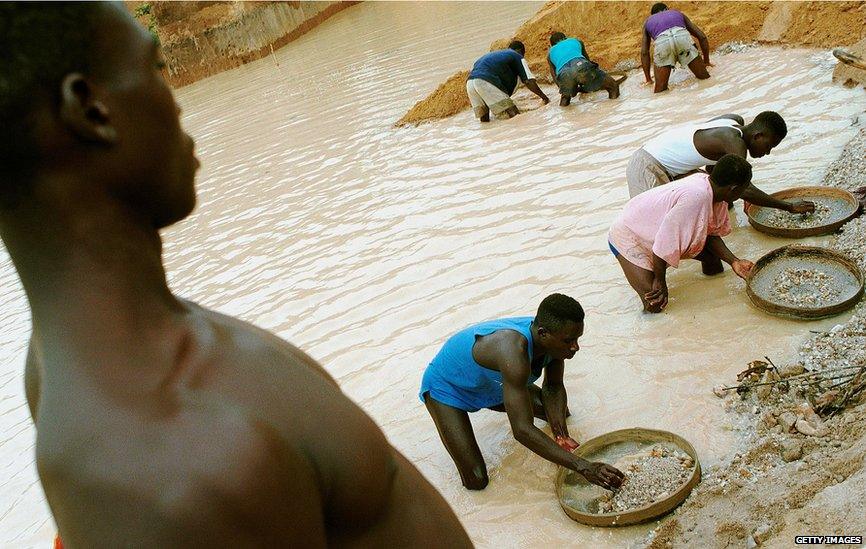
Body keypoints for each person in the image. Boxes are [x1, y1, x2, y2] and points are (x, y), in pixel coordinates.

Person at [1, 4, 472, 547]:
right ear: (91, 110)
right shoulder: (192, 461)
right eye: (155, 68)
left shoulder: (61, 364)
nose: (177, 104)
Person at [419, 294, 625, 491]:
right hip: (447, 389)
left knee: (560, 416)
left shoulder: (554, 340)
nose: (575, 347)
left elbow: (553, 387)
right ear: (543, 333)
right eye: (569, 341)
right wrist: (583, 466)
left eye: (577, 339)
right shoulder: (513, 351)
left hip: (493, 383)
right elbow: (522, 431)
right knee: (477, 480)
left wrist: (560, 434)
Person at [610, 154, 756, 313]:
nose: (745, 192)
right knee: (655, 303)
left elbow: (710, 233)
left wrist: (734, 261)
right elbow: (663, 243)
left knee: (712, 259)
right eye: (744, 188)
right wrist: (660, 281)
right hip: (629, 234)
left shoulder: (711, 188)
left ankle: (715, 305)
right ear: (733, 189)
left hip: (653, 227)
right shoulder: (696, 198)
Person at [626, 111, 815, 215]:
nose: (767, 152)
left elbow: (714, 167)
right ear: (758, 136)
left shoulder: (733, 121)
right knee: (651, 223)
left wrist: (739, 196)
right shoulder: (735, 143)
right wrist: (788, 207)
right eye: (769, 146)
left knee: (716, 198)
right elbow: (744, 188)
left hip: (668, 161)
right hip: (649, 166)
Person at [466, 40, 550, 122]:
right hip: (485, 80)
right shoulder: (517, 56)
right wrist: (545, 98)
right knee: (515, 114)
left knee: (485, 120)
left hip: (470, 84)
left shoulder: (498, 55)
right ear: (521, 51)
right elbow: (528, 81)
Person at [641, 3, 712, 93]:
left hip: (662, 42)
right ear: (667, 9)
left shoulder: (648, 21)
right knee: (705, 79)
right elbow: (702, 37)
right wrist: (706, 62)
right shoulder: (677, 13)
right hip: (682, 36)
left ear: (653, 15)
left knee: (661, 92)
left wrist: (648, 79)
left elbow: (644, 52)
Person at [547, 31, 625, 104]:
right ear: (566, 38)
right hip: (581, 65)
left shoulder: (550, 54)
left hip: (564, 73)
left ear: (553, 45)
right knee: (613, 86)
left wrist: (565, 90)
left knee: (565, 98)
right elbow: (587, 61)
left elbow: (554, 75)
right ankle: (613, 107)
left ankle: (565, 113)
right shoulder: (576, 41)